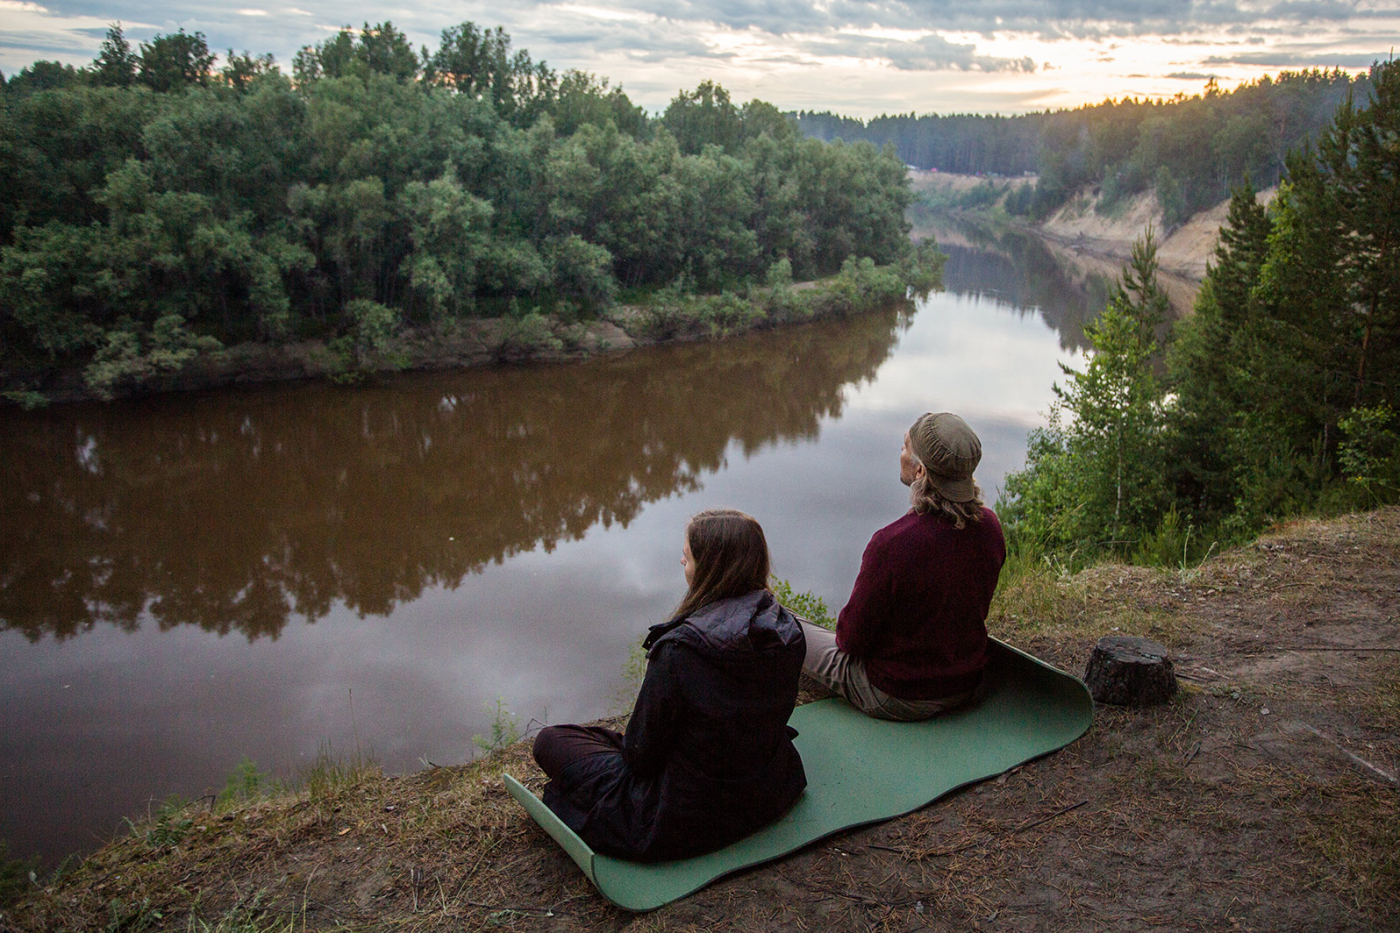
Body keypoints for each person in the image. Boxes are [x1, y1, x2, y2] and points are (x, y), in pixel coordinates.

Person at [532, 509, 807, 862]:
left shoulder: (681, 650)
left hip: (684, 815)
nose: (681, 560)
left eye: (688, 555)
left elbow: (639, 758)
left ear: (711, 567)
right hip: (767, 790)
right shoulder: (786, 630)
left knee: (552, 740)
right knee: (608, 740)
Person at [800, 412, 1006, 721]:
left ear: (920, 471)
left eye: (904, 448)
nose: (900, 454)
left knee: (788, 627)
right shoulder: (989, 526)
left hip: (897, 696)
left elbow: (850, 640)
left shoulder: (891, 544)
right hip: (965, 685)